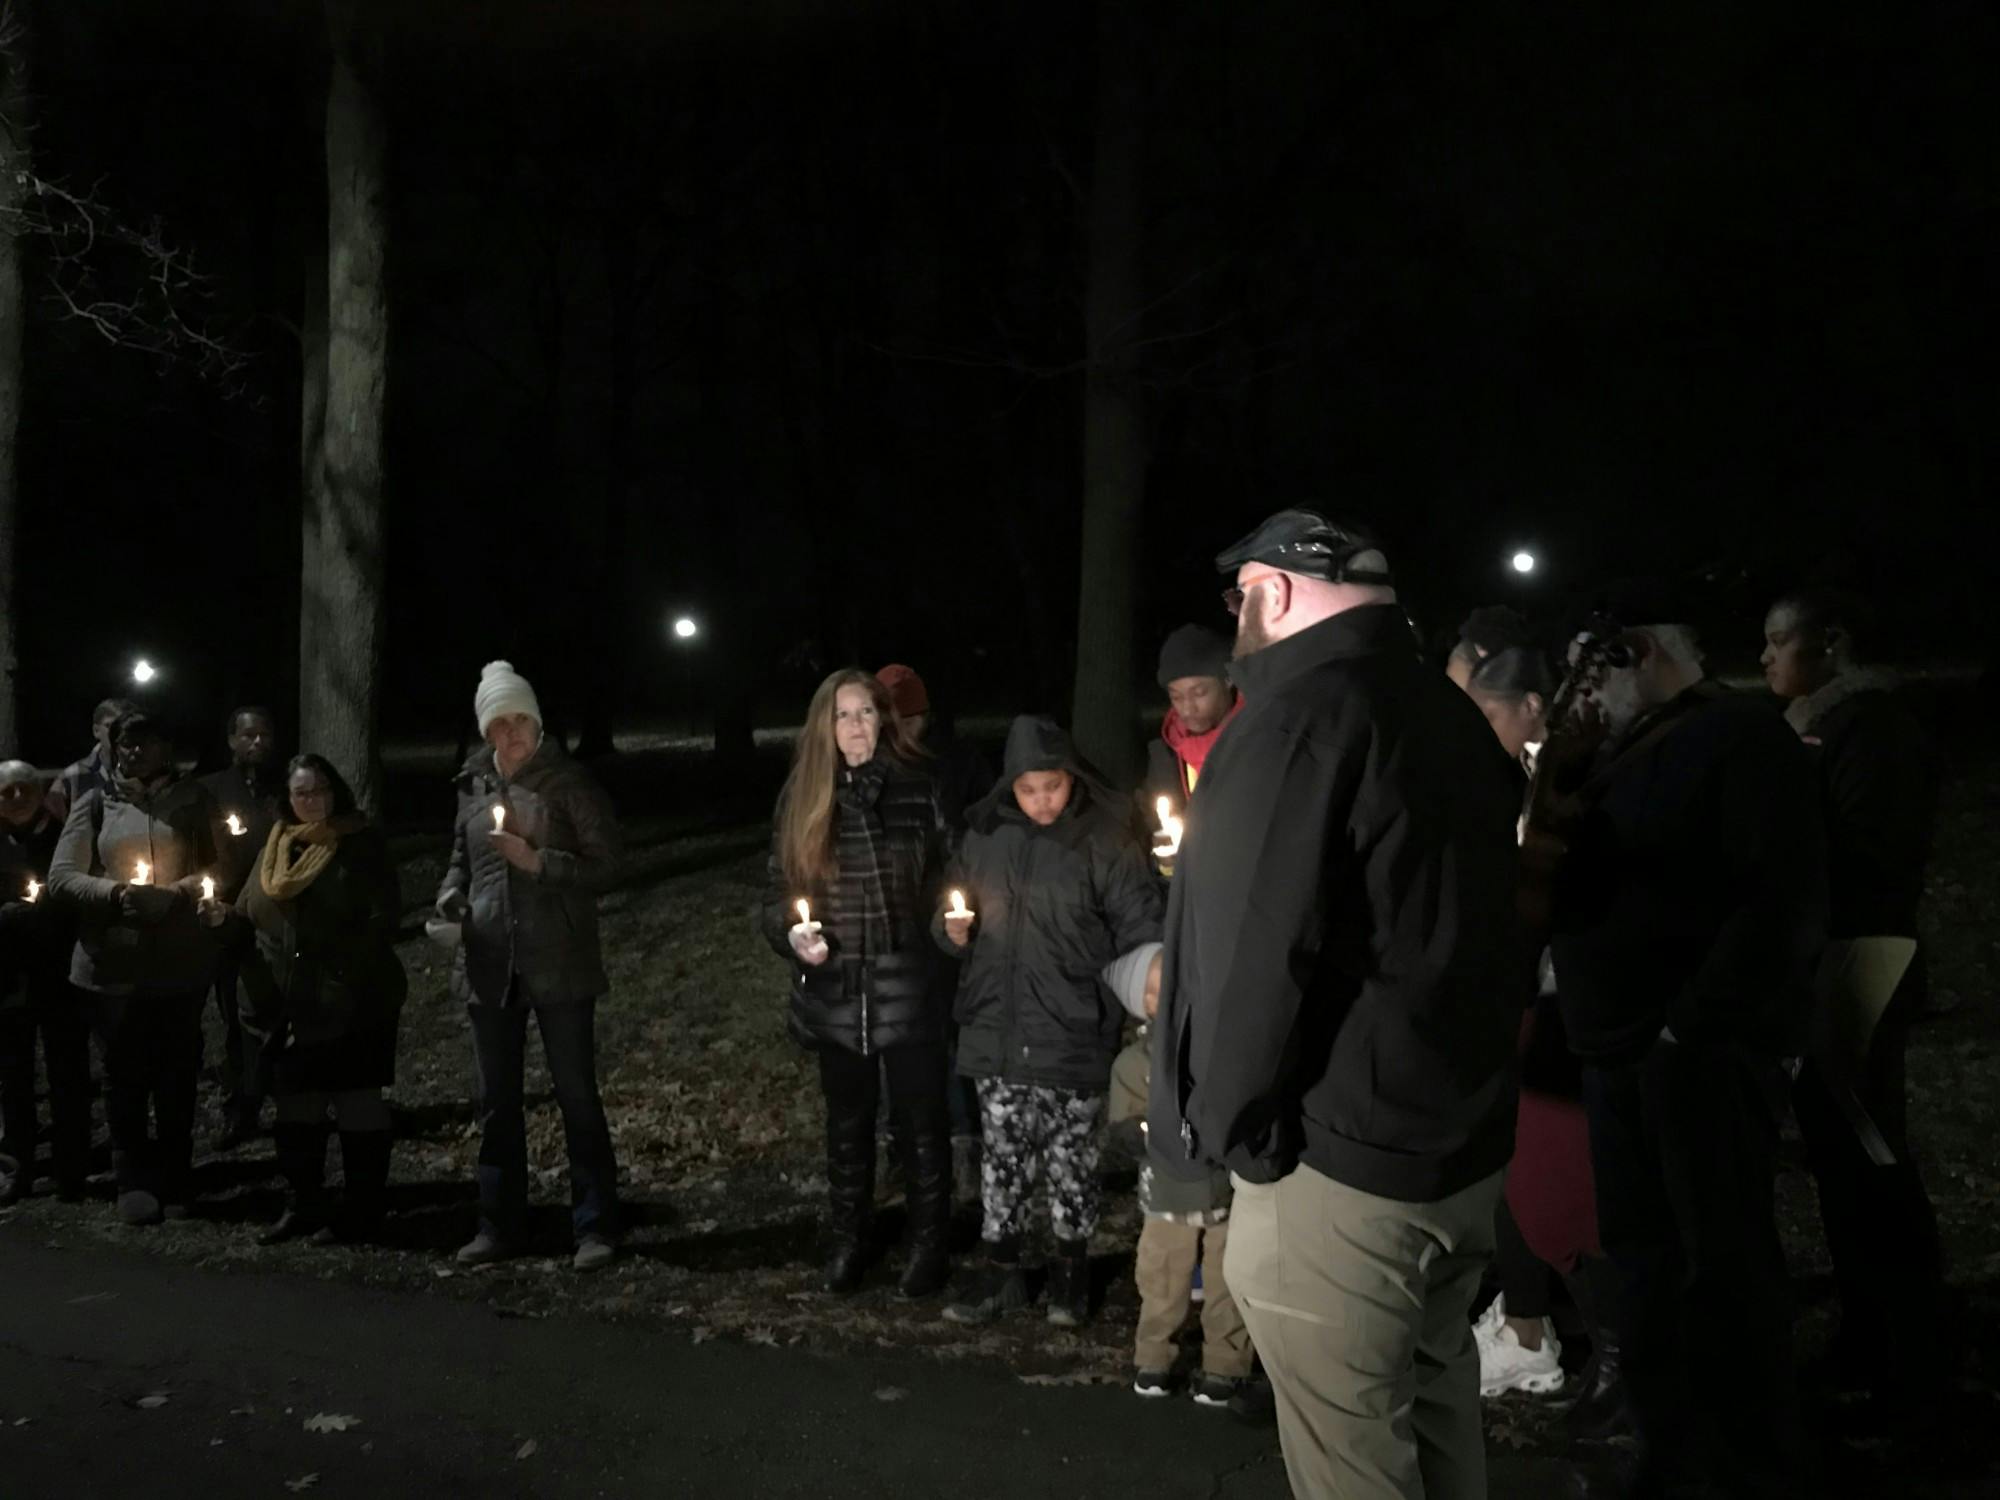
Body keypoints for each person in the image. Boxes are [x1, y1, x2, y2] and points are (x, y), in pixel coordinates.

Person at [1157, 510, 1525, 1500]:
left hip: (1341, 1170)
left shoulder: (1293, 723)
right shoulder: (1444, 711)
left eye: (1239, 597)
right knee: (1432, 1395)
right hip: (1454, 1142)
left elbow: (1256, 958)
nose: (1234, 617)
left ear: (1274, 591)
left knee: (1350, 1453)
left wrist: (1228, 1131)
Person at [1532, 596, 1826, 1498]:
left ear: (1646, 653)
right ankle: (1670, 1449)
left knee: (1721, 1261)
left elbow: (1778, 897)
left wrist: (1688, 1021)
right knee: (1645, 1260)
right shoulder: (1616, 756)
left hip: (1692, 1050)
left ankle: (1748, 1458)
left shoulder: (1738, 737)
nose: (1586, 696)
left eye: (1598, 671)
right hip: (1618, 1049)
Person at [1763, 588, 1945, 1412]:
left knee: (1868, 1147)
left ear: (1830, 643)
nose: (1766, 659)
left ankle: (1908, 1348)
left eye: (1778, 642)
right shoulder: (1833, 725)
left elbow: (1868, 851)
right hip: (1836, 957)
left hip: (1866, 956)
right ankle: (1871, 1335)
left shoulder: (1867, 727)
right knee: (1843, 1150)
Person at [1454, 633, 1630, 1427]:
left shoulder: (1568, 777)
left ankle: (1617, 1354)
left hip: (1565, 996)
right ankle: (1542, 1329)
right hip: (1531, 991)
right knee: (1523, 1169)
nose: (1475, 730)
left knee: (1554, 1175)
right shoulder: (1513, 778)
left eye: (1486, 712)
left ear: (1532, 707)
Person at [936, 715, 1163, 1328]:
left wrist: (1149, 991)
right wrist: (951, 930)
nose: (1041, 801)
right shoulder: (983, 836)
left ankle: (1070, 1272)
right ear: (1010, 785)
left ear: (1072, 780)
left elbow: (1140, 927)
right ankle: (1002, 1272)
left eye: (1053, 788)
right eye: (1028, 789)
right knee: (1003, 1159)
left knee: (1072, 1162)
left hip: (1073, 1030)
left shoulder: (1107, 840)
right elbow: (950, 908)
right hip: (998, 1029)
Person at [759, 669, 953, 1299]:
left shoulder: (920, 790)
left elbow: (949, 878)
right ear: (824, 726)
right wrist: (792, 937)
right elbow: (777, 895)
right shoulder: (802, 799)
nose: (855, 727)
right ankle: (851, 1238)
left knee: (921, 1121)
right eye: (842, 715)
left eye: (866, 713)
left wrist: (952, 927)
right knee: (848, 1122)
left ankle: (928, 1243)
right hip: (837, 990)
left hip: (908, 986)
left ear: (884, 720)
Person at [435, 662, 624, 1273]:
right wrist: (451, 897)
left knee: (576, 1098)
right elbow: (459, 862)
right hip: (489, 965)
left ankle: (594, 1226)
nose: (510, 733)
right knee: (496, 1102)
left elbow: (608, 866)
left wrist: (540, 862)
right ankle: (499, 1225)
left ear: (536, 723)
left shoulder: (569, 784)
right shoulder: (472, 788)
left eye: (520, 720)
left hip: (560, 962)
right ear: (486, 730)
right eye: (498, 723)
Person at [215, 754, 405, 1245]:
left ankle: (364, 1209)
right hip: (287, 1005)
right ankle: (305, 1203)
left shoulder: (359, 843)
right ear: (288, 799)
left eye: (321, 790)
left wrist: (340, 980)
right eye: (302, 793)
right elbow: (252, 910)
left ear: (336, 791)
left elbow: (381, 918)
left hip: (353, 999)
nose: (312, 800)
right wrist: (224, 918)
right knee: (297, 1106)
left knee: (356, 1099)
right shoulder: (276, 845)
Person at [47, 710, 222, 1226]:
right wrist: (116, 893)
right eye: (125, 743)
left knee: (176, 1073)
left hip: (178, 963)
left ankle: (176, 1177)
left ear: (167, 747)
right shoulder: (98, 802)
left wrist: (178, 893)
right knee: (122, 1074)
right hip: (112, 967)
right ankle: (132, 1179)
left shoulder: (193, 800)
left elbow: (220, 865)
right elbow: (62, 875)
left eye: (145, 742)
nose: (133, 752)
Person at [875, 663, 989, 1197]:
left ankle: (964, 1143)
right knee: (886, 1043)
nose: (896, 727)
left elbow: (968, 839)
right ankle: (897, 1143)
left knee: (947, 1036)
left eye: (906, 716)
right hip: (886, 927)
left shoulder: (953, 765)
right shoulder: (866, 768)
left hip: (940, 924)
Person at [0, 761, 92, 1205]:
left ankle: (70, 1168)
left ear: (40, 791)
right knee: (12, 1078)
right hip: (7, 978)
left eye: (24, 789)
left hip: (60, 974)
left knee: (67, 1073)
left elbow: (80, 896)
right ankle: (15, 1166)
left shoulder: (64, 838)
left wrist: (47, 915)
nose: (16, 798)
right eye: (6, 792)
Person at [202, 706, 285, 1150]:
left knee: (276, 1009)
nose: (257, 743)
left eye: (264, 734)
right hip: (228, 914)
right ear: (232, 740)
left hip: (276, 913)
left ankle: (281, 1091)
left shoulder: (285, 788)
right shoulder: (212, 789)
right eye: (248, 735)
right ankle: (243, 1102)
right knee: (235, 1015)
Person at [1141, 625, 1242, 834]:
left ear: (1228, 680)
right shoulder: (1165, 755)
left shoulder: (1259, 740)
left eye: (1199, 693)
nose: (1187, 708)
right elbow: (1154, 825)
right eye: (1176, 697)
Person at [48, 697, 137, 822]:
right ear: (96, 730)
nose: (118, 733)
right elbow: (54, 829)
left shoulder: (145, 773)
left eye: (125, 726)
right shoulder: (72, 777)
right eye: (110, 726)